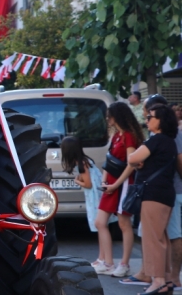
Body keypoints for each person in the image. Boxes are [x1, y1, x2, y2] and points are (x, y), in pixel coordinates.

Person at [121, 94, 182, 290]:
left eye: (150, 117)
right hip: (164, 194)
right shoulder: (168, 141)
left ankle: (157, 281)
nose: (146, 119)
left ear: (161, 121)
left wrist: (139, 160)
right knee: (161, 238)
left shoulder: (157, 140)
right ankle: (164, 279)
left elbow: (132, 158)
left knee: (152, 239)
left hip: (154, 195)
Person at [94, 102, 143, 277]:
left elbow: (132, 163)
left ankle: (124, 264)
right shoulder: (116, 136)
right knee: (100, 222)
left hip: (123, 184)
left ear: (116, 116)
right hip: (112, 184)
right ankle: (107, 262)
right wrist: (105, 181)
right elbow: (110, 160)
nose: (108, 119)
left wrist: (116, 184)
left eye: (110, 116)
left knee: (124, 223)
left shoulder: (128, 136)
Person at [60, 136, 107, 249]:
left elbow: (88, 184)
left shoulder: (82, 164)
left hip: (94, 196)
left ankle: (103, 258)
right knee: (99, 226)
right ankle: (101, 257)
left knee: (99, 225)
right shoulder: (84, 161)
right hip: (96, 194)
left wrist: (77, 181)